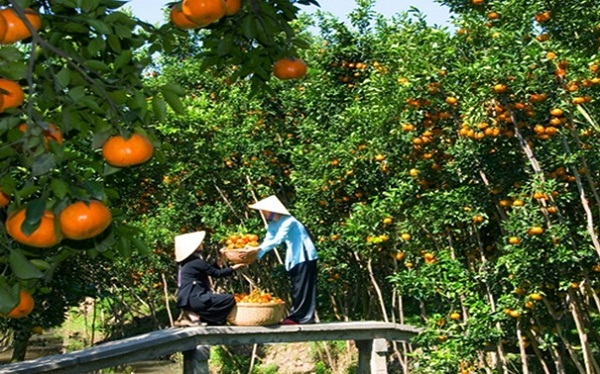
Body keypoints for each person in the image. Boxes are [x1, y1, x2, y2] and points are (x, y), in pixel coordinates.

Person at [245, 195, 318, 324]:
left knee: (303, 287)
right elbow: (268, 240)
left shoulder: (289, 221)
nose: (262, 213)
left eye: (263, 210)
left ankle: (304, 318)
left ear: (271, 210)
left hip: (304, 255)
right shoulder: (274, 224)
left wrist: (256, 250)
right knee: (296, 287)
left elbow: (278, 239)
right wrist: (253, 255)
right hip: (295, 257)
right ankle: (297, 316)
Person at [174, 230, 246, 327]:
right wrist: (234, 267)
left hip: (187, 300)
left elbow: (211, 270)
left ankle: (193, 318)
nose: (202, 244)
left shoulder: (188, 262)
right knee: (229, 299)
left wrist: (222, 258)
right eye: (199, 243)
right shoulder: (196, 262)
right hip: (195, 299)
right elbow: (217, 274)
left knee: (219, 302)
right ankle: (197, 318)